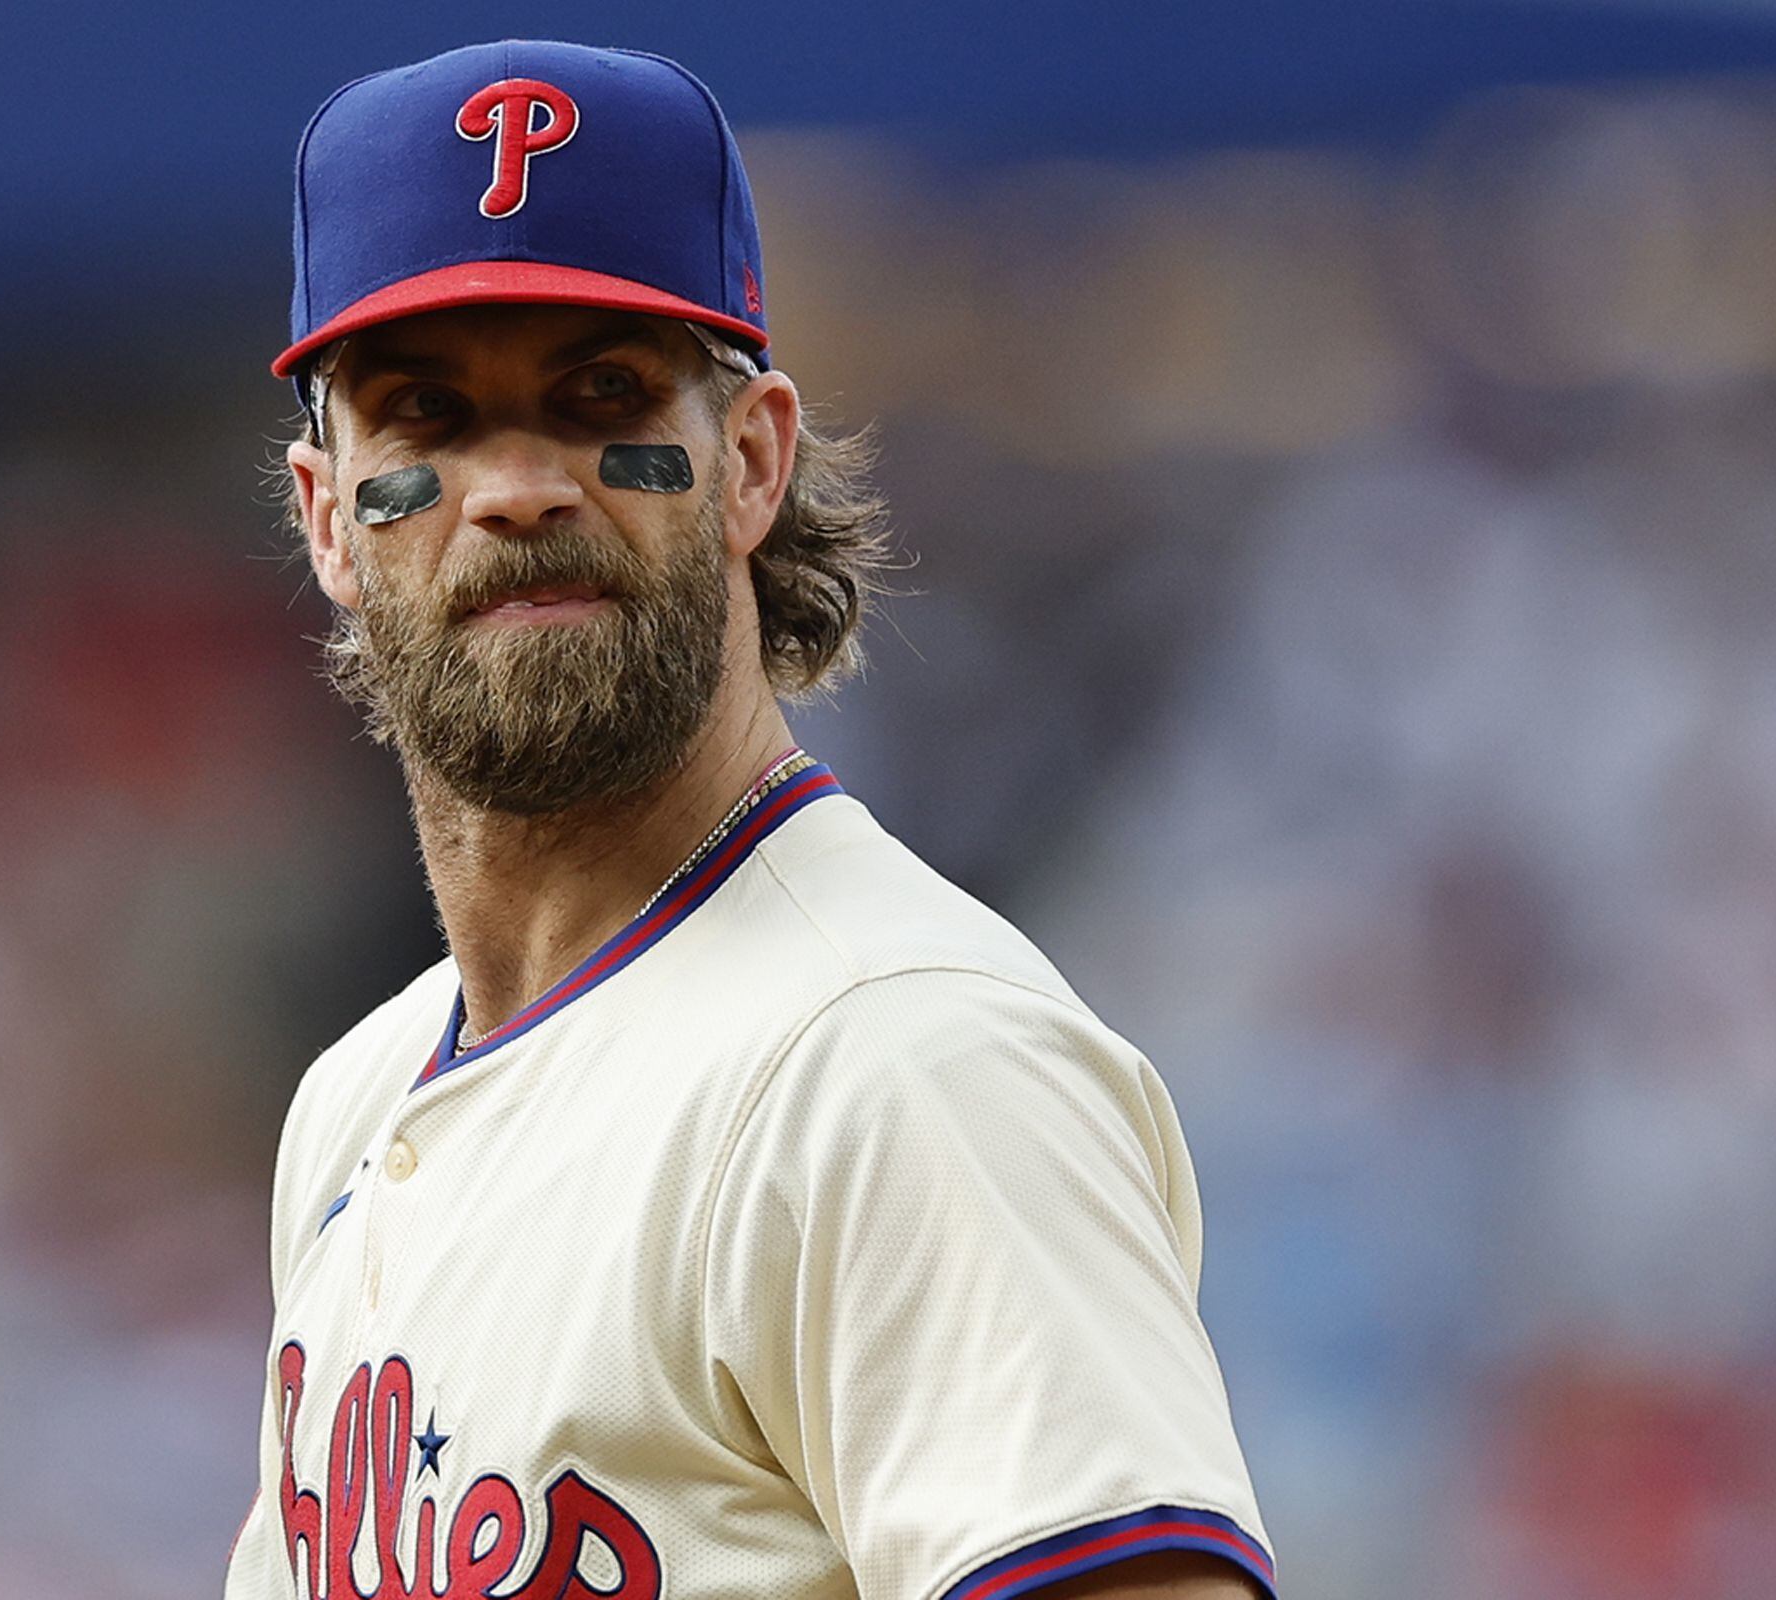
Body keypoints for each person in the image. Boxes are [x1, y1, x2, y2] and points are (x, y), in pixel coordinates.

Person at [224, 38, 1276, 1600]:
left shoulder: (903, 1061)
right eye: (427, 417)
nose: (516, 487)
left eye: (600, 395)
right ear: (327, 515)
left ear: (753, 463)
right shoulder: (353, 1103)